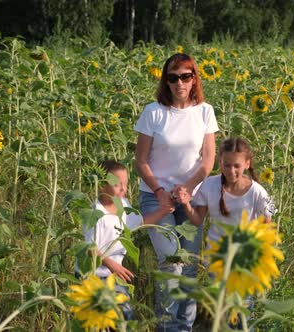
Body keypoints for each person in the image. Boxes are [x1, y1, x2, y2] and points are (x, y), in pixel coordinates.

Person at [134, 53, 218, 331]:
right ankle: (167, 327)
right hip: (155, 197)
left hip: (192, 198)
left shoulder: (205, 111)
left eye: (185, 76)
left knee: (191, 266)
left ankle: (184, 326)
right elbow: (141, 160)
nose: (179, 82)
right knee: (171, 263)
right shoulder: (153, 112)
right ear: (166, 81)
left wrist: (189, 188)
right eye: (173, 77)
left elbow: (208, 161)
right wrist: (159, 190)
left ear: (194, 79)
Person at [174, 137, 276, 329]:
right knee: (222, 310)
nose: (231, 171)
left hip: (246, 261)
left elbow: (268, 227)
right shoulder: (209, 186)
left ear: (247, 164)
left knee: (243, 310)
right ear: (220, 162)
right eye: (226, 165)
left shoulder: (259, 192)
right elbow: (197, 220)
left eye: (236, 166)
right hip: (217, 259)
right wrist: (186, 203)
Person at [81, 160, 173, 321]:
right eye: (118, 185)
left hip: (114, 276)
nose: (124, 188)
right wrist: (113, 265)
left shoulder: (123, 204)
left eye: (125, 183)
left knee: (124, 316)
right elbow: (90, 248)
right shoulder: (94, 212)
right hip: (93, 276)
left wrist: (163, 211)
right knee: (100, 318)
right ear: (102, 185)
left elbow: (140, 222)